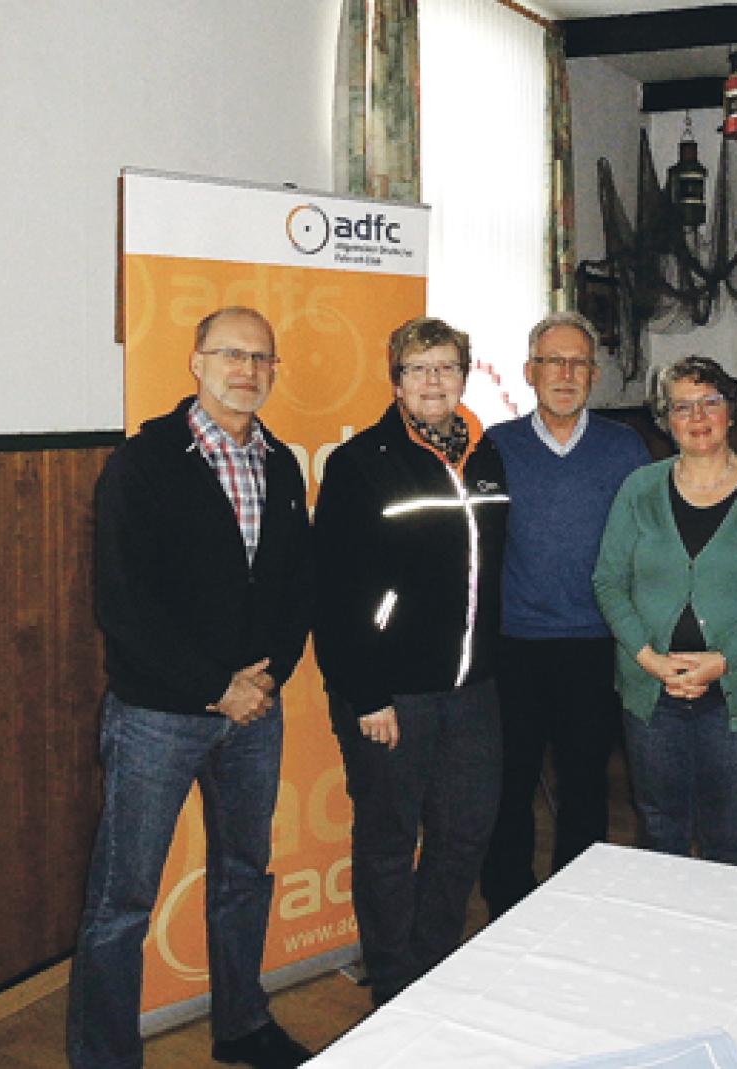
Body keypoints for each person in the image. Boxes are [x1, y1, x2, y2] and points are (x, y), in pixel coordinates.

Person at [68, 307, 315, 1069]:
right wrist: (216, 686)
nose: (247, 370)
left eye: (261, 357)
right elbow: (123, 602)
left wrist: (268, 677)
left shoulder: (280, 463)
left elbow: (296, 587)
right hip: (156, 717)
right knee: (123, 899)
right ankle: (105, 1056)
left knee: (244, 877)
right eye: (231, 354)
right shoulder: (142, 464)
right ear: (196, 362)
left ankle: (242, 1023)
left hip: (255, 712)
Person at [313, 316, 510, 1006]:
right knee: (390, 842)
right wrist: (366, 692)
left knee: (465, 833)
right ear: (396, 381)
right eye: (418, 369)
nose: (433, 381)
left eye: (446, 367)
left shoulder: (487, 457)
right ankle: (395, 984)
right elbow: (334, 589)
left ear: (465, 376)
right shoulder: (361, 463)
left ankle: (435, 961)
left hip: (474, 689)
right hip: (392, 694)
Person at [593, 356, 737, 865]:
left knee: (726, 834)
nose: (698, 416)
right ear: (665, 420)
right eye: (682, 406)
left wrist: (723, 661)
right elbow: (609, 581)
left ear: (731, 411)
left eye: (710, 401)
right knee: (659, 829)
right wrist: (649, 659)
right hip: (652, 690)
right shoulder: (639, 489)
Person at [479, 312, 651, 918]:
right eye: (553, 361)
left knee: (585, 785)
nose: (565, 374)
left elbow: (645, 545)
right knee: (510, 785)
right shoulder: (495, 446)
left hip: (596, 643)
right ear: (529, 372)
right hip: (515, 644)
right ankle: (508, 905)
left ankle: (578, 908)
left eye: (578, 363)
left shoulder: (624, 448)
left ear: (594, 375)